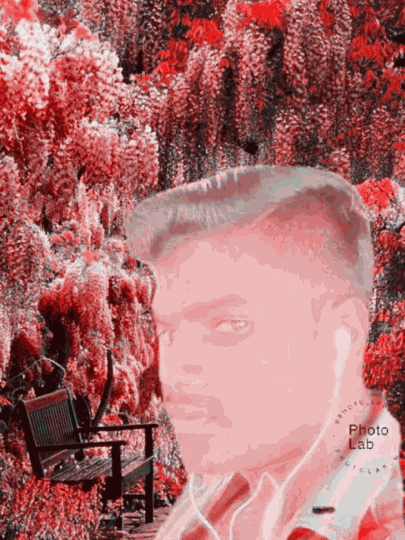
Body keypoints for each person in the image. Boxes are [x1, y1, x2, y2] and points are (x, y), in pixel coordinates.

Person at [125, 165, 405, 539]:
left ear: (343, 333)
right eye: (169, 330)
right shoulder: (226, 491)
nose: (179, 366)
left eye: (230, 324)